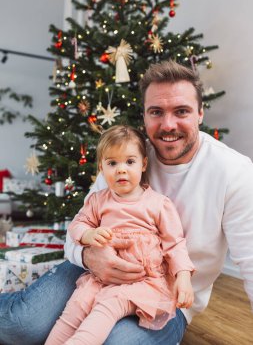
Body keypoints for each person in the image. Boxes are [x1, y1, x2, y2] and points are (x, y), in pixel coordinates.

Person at [0, 60, 252, 345]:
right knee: (23, 326)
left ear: (200, 114)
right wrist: (88, 256)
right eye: (156, 112)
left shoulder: (234, 171)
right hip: (92, 273)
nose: (168, 124)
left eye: (181, 111)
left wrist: (181, 277)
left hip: (161, 293)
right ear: (144, 116)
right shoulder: (122, 158)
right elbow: (79, 227)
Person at [45, 125, 195, 345]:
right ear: (101, 168)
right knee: (75, 308)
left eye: (130, 162)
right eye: (112, 163)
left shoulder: (158, 204)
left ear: (143, 164)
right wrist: (88, 234)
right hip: (100, 278)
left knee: (107, 307)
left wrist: (183, 277)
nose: (121, 170)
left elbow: (175, 245)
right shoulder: (98, 200)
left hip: (142, 281)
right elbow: (77, 225)